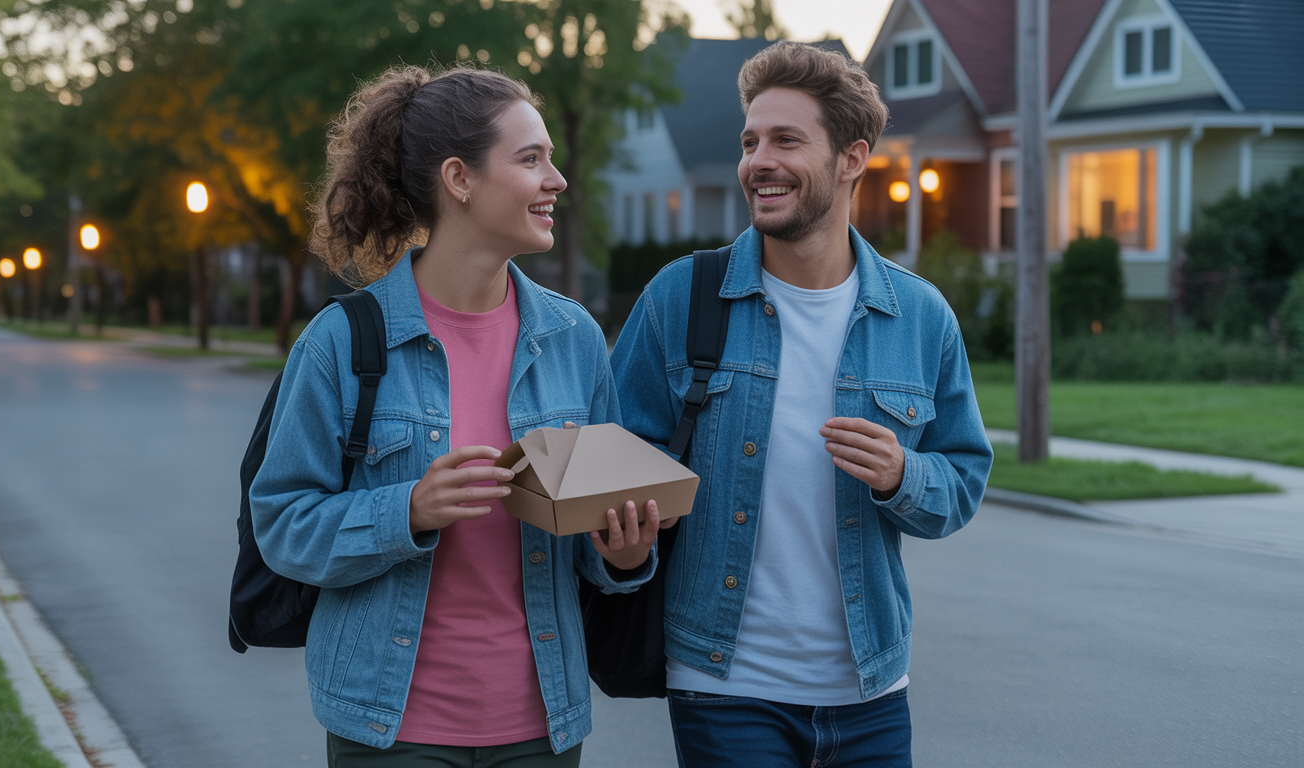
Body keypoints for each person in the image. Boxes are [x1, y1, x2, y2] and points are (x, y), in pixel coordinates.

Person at [250, 65, 664, 767]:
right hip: (390, 728)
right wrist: (406, 509)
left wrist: (624, 555)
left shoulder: (575, 340)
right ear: (459, 179)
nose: (557, 180)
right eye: (531, 159)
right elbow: (282, 525)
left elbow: (595, 548)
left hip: (541, 725)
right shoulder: (342, 342)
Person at [611, 41, 993, 767]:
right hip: (724, 687)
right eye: (751, 141)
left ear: (852, 157)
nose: (759, 160)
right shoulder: (681, 297)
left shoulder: (919, 316)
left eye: (787, 139)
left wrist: (901, 475)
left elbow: (962, 481)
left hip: (873, 694)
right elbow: (613, 465)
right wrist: (625, 552)